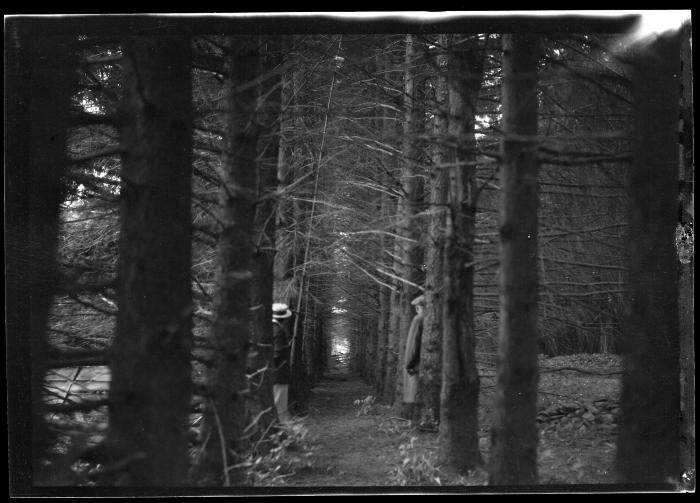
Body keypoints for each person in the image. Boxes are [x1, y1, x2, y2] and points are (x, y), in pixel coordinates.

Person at [403, 294, 425, 421]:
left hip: (417, 365)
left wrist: (408, 364)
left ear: (419, 307)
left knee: (414, 397)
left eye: (417, 307)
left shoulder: (418, 319)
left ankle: (414, 423)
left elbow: (413, 345)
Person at [271, 302, 293, 423]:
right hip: (278, 374)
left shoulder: (271, 328)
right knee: (279, 407)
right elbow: (277, 354)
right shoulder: (278, 331)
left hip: (274, 375)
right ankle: (281, 432)